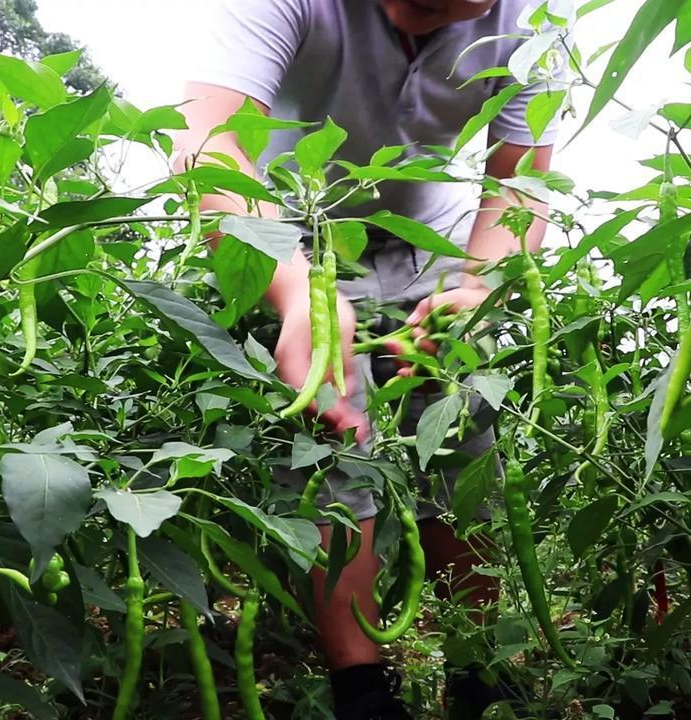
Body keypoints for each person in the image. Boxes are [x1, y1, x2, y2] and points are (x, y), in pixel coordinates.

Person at [174, 1, 559, 717]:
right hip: (292, 232)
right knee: (331, 446)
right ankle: (360, 685)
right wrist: (295, 293)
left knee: (462, 425)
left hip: (440, 243)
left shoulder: (536, 15)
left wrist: (477, 287)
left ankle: (479, 667)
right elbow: (208, 146)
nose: (423, 15)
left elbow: (518, 176)